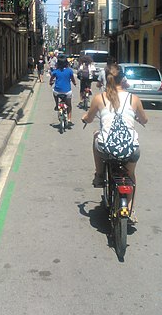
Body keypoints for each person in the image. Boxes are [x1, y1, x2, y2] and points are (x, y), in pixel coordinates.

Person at [81, 63, 148, 219]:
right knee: (130, 175)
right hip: (131, 149)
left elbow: (89, 118)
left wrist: (84, 118)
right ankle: (130, 209)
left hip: (106, 148)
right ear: (123, 79)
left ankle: (99, 174)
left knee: (96, 136)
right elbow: (144, 119)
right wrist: (139, 119)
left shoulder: (99, 98)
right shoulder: (134, 98)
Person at [50, 54, 77, 124]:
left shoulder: (56, 71)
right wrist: (74, 83)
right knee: (69, 105)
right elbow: (73, 80)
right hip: (67, 92)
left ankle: (56, 105)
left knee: (54, 92)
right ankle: (69, 119)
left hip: (57, 91)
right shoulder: (70, 71)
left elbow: (51, 79)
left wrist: (50, 83)